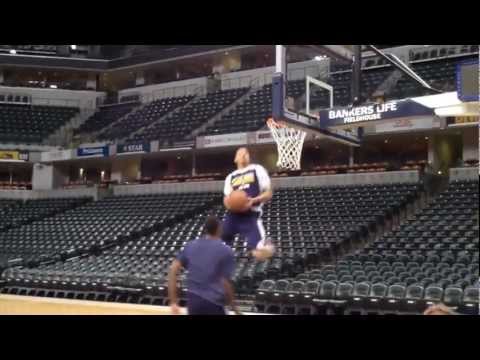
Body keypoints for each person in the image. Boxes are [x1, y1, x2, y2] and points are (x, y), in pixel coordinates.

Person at [168, 216, 240, 315]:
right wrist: (236, 309)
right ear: (219, 229)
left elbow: (173, 270)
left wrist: (173, 302)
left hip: (193, 303)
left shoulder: (190, 245)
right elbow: (225, 282)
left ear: (205, 230)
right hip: (214, 303)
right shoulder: (226, 251)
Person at [223, 147, 275, 261]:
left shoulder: (257, 169)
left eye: (247, 153)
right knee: (219, 250)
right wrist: (232, 204)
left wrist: (253, 200)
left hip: (251, 215)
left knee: (259, 254)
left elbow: (269, 193)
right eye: (241, 153)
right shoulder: (230, 177)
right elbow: (226, 199)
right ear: (235, 158)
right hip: (233, 216)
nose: (245, 154)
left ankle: (269, 247)